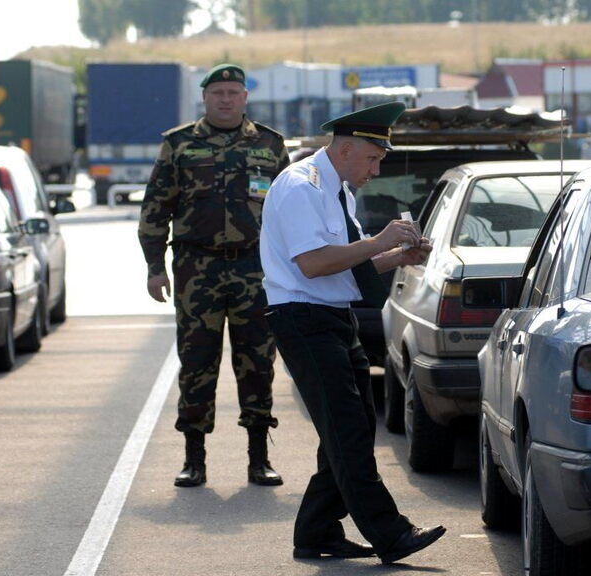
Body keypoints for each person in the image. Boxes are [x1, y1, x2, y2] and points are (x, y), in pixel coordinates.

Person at [260, 101, 445, 564]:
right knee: (347, 431)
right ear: (344, 149)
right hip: (302, 319)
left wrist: (395, 256)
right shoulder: (302, 186)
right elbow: (314, 263)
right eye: (373, 157)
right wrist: (379, 241)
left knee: (356, 426)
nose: (377, 168)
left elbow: (347, 263)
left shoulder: (336, 188)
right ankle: (391, 533)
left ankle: (317, 531)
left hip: (331, 316)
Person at [138, 63, 289, 488]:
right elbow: (155, 208)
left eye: (233, 92)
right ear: (205, 98)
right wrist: (154, 267)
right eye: (218, 92)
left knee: (258, 361)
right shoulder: (179, 144)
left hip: (255, 268)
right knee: (197, 362)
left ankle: (259, 458)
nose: (225, 99)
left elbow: (288, 212)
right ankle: (194, 459)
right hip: (195, 268)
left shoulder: (270, 145)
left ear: (245, 98)